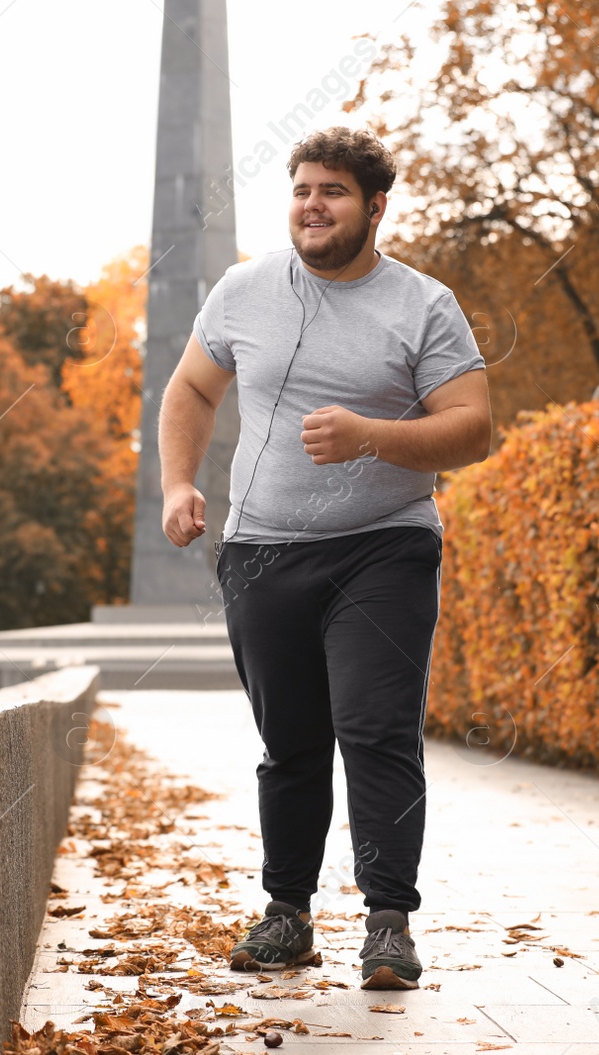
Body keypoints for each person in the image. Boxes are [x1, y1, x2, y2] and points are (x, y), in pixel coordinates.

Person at [157, 126, 492, 991]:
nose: (314, 205)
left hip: (385, 546)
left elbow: (473, 426)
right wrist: (177, 484)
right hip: (263, 551)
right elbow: (192, 386)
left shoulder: (423, 304)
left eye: (334, 192)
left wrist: (371, 436)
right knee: (292, 742)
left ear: (375, 207)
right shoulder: (243, 291)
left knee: (377, 729)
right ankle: (288, 915)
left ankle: (388, 923)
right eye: (303, 189)